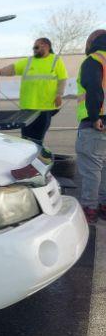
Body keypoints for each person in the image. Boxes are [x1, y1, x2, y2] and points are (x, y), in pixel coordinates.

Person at [0, 38, 68, 145]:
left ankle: (37, 159)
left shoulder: (56, 61)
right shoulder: (28, 61)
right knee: (25, 139)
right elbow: (13, 68)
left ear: (46, 46)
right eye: (34, 47)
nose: (34, 50)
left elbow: (62, 79)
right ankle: (28, 160)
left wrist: (59, 95)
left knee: (38, 139)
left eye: (37, 47)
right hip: (27, 108)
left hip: (45, 108)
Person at [76, 30, 106, 223]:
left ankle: (89, 209)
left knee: (92, 168)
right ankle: (104, 205)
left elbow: (94, 87)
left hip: (96, 122)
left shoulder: (94, 60)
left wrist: (94, 116)